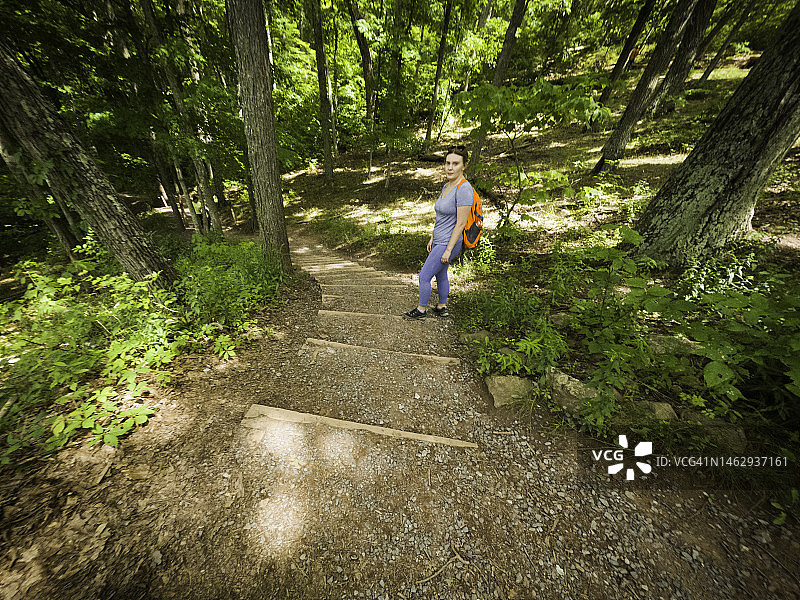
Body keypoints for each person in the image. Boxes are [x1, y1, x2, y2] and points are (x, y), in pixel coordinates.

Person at [404, 145, 473, 320]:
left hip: (449, 242)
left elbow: (461, 223)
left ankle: (421, 310)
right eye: (448, 163)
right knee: (441, 274)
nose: (450, 167)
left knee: (424, 276)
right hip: (439, 240)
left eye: (455, 163)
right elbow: (441, 217)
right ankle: (442, 307)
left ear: (464, 166)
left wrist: (448, 250)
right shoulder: (447, 186)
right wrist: (432, 237)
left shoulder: (464, 189)